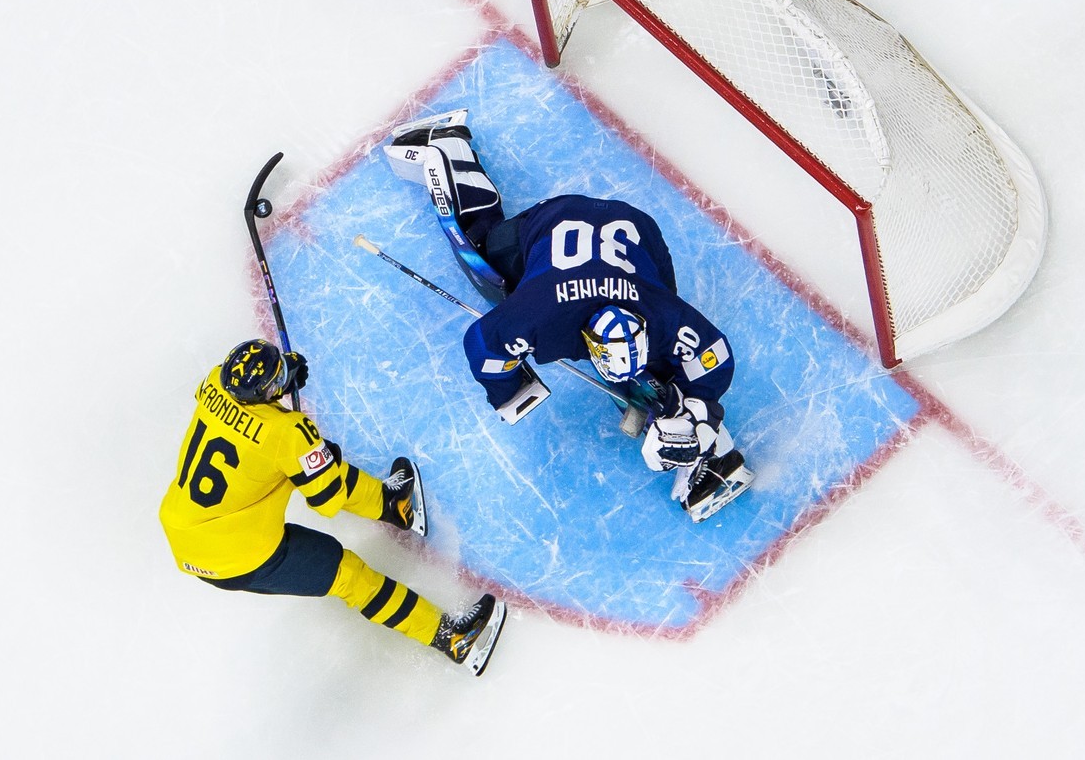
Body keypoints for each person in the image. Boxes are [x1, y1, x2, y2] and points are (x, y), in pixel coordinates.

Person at [383, 109, 754, 523]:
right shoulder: (538, 315)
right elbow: (483, 345)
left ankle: (696, 435)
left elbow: (713, 353)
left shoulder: (660, 312)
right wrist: (511, 391)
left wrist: (698, 412)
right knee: (481, 254)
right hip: (553, 220)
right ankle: (445, 148)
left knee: (668, 362)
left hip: (637, 230)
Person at [158, 338, 507, 675]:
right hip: (240, 553)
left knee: (302, 466)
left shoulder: (214, 383)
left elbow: (245, 420)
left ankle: (394, 505)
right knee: (349, 576)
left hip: (187, 533)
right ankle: (453, 639)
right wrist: (319, 452)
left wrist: (282, 386)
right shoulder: (288, 433)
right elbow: (327, 500)